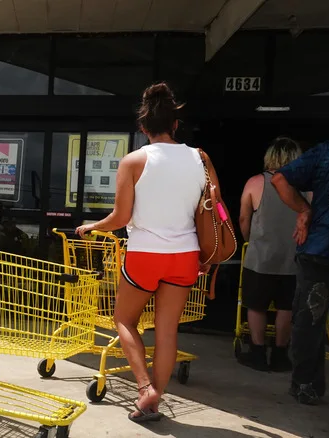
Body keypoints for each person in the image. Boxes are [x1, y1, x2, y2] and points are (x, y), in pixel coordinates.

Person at [76, 82, 207, 422]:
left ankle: (145, 388)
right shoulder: (200, 158)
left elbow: (121, 217)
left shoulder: (134, 160)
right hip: (185, 254)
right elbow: (210, 211)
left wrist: (93, 226)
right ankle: (153, 405)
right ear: (175, 124)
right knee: (167, 331)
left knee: (124, 319)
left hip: (145, 254)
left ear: (143, 127)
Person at [271, 135, 329, 405]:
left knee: (309, 320)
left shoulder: (328, 149)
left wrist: (304, 210)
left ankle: (305, 385)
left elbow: (279, 178)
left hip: (318, 247)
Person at [237, 137, 302, 372]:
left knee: (256, 305)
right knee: (287, 306)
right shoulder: (308, 185)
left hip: (260, 257)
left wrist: (250, 241)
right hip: (294, 258)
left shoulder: (256, 182)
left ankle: (257, 352)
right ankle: (280, 354)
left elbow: (244, 218)